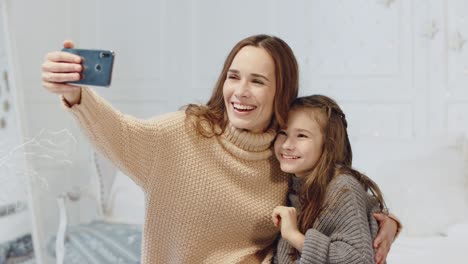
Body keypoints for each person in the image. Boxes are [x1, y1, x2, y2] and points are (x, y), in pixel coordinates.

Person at [41, 35, 399, 264]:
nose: (240, 91)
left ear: (281, 92)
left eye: (257, 81)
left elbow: (336, 198)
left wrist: (388, 223)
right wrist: (76, 95)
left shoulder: (285, 156)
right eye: (234, 76)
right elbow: (116, 130)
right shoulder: (182, 134)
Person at [271, 95, 400, 264]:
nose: (287, 145)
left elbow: (359, 260)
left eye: (301, 136)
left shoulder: (342, 187)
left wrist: (294, 236)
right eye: (283, 132)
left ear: (328, 144)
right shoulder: (291, 182)